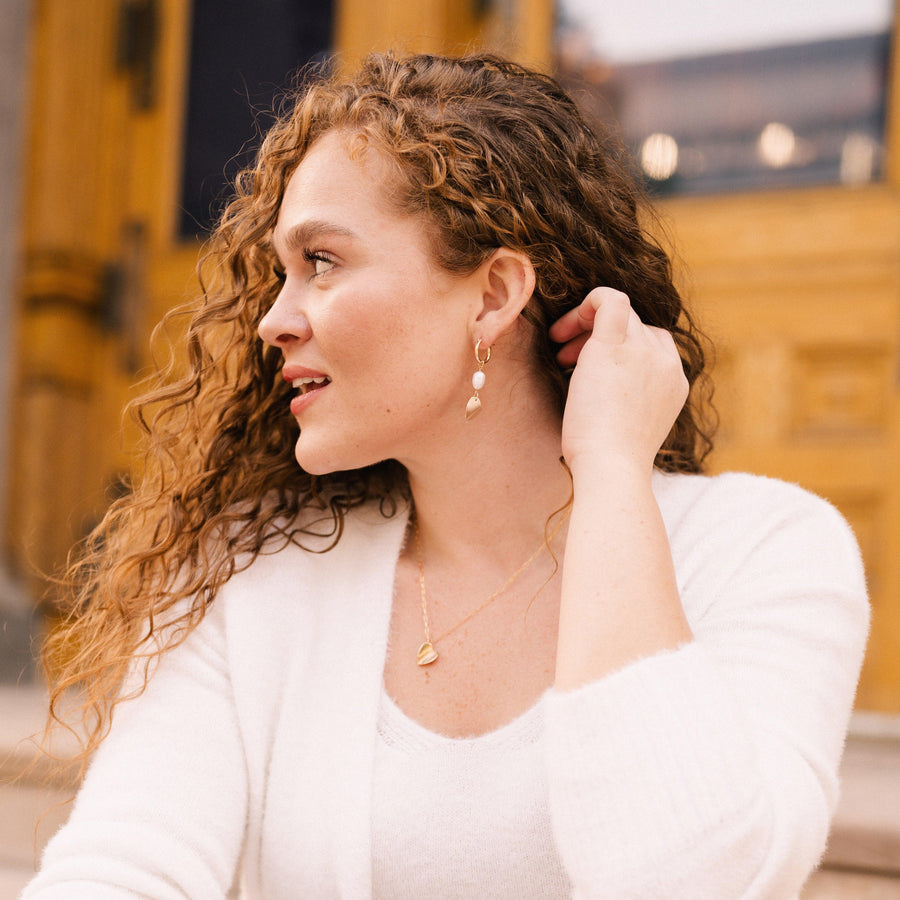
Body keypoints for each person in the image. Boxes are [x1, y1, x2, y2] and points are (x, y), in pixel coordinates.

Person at [23, 52, 867, 899]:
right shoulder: (253, 567)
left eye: (321, 261)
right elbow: (120, 869)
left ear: (495, 294)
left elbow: (688, 881)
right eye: (280, 273)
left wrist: (612, 472)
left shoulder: (768, 550)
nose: (274, 321)